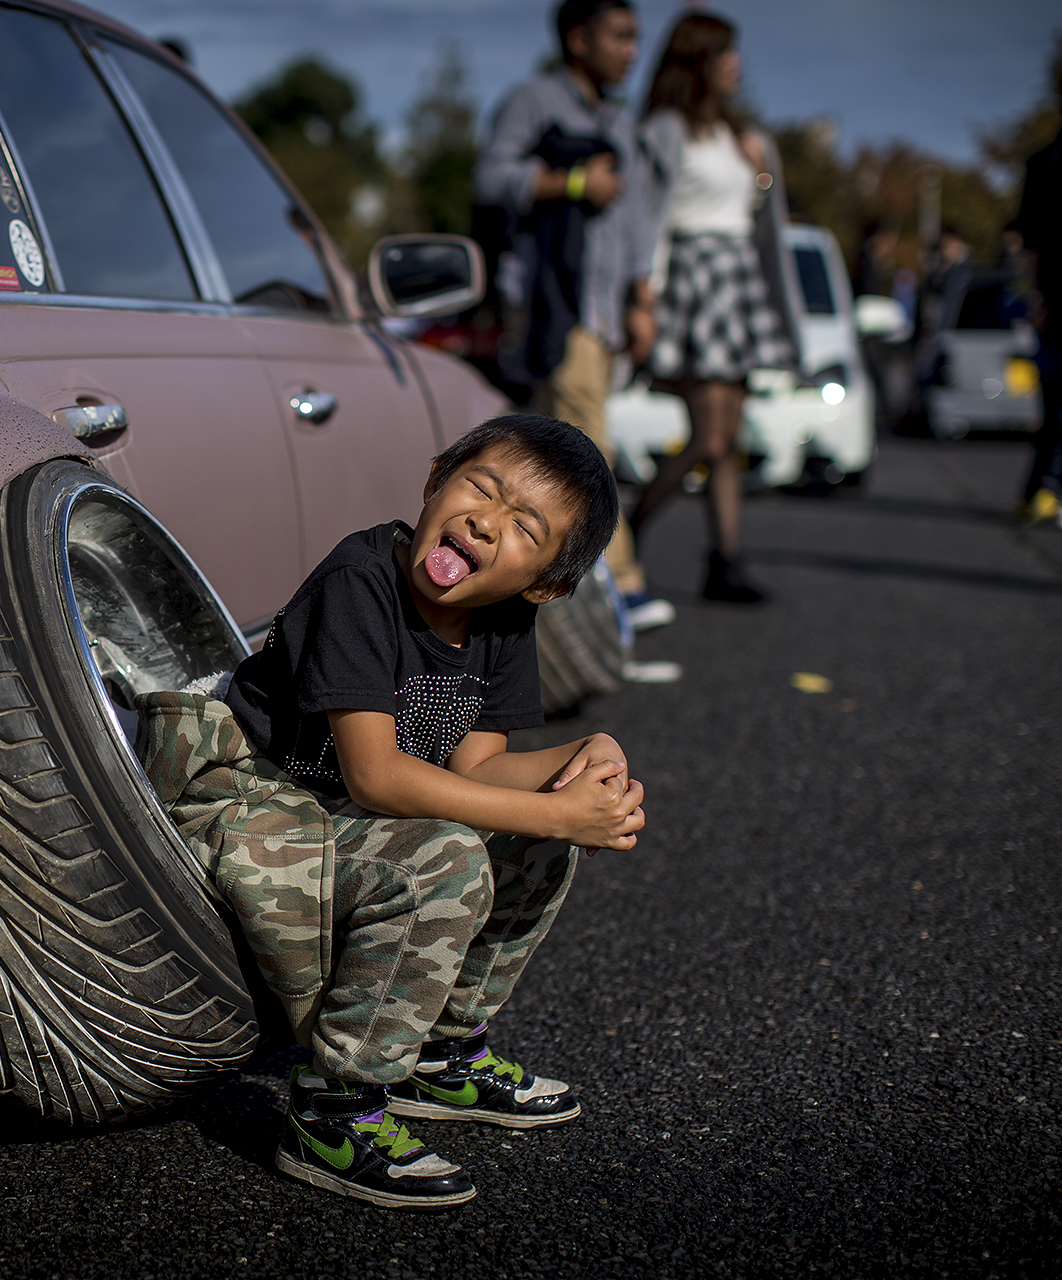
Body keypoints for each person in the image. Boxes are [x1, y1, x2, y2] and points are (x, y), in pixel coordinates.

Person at [134, 415, 645, 1209]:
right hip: (262, 795)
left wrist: (579, 769)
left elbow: (481, 768)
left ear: (546, 583)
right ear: (437, 475)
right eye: (482, 488)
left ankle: (442, 1053)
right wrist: (557, 814)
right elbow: (376, 776)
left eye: (524, 527)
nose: (486, 521)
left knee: (537, 838)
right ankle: (335, 1105)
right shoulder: (360, 579)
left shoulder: (506, 619)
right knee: (446, 857)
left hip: (341, 808)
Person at [475, 0, 672, 633]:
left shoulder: (620, 118)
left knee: (555, 450)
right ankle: (622, 591)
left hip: (607, 311)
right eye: (621, 37)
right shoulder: (533, 101)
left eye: (637, 39)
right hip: (555, 306)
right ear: (579, 39)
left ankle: (542, 595)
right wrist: (574, 184)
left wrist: (642, 300)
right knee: (589, 446)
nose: (632, 51)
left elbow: (638, 218)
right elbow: (491, 176)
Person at [627, 10, 796, 603]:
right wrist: (644, 292)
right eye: (726, 53)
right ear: (698, 60)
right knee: (710, 436)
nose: (737, 64)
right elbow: (649, 217)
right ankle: (623, 529)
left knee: (729, 436)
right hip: (694, 283)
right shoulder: (666, 128)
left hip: (737, 280)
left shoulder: (737, 133)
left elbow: (759, 217)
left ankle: (725, 559)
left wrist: (762, 174)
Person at [1014, 85, 1060, 524]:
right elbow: (1031, 246)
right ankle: (1045, 488)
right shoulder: (1047, 163)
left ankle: (1039, 488)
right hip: (1054, 303)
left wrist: (1036, 297)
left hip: (1051, 303)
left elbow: (1029, 247)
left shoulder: (1043, 161)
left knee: (1051, 406)